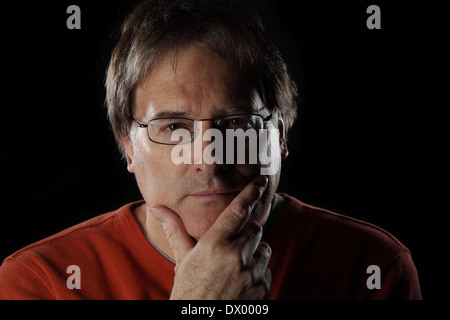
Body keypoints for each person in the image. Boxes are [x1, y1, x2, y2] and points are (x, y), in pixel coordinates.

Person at [0, 0, 421, 299]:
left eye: (237, 124)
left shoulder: (371, 266)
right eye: (173, 127)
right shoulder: (42, 281)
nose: (209, 159)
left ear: (280, 136)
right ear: (129, 147)